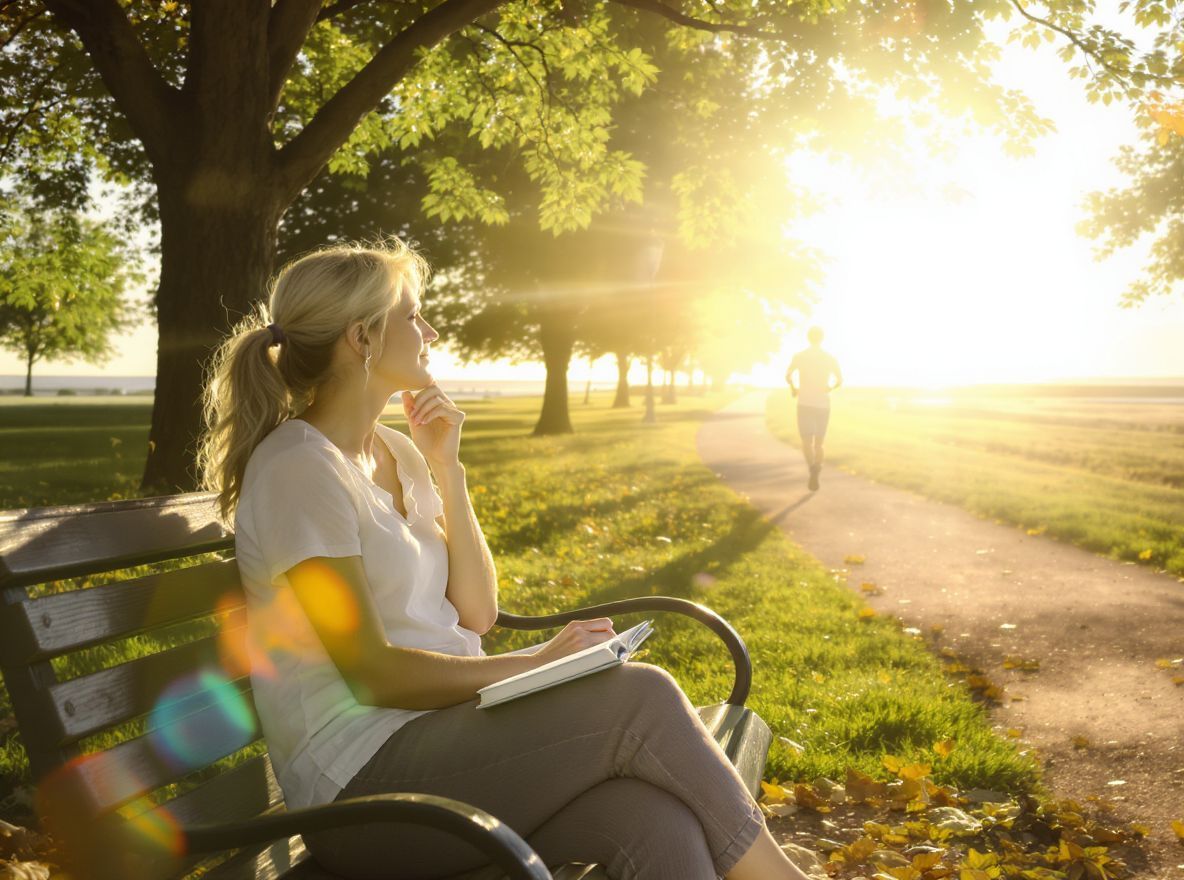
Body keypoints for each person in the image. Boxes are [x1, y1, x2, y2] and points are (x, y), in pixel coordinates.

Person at [198, 239, 813, 880]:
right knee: (642, 698)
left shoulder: (397, 453)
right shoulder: (302, 469)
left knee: (648, 819)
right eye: (412, 315)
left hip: (448, 743)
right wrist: (541, 662)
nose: (430, 330)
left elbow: (477, 611)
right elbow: (373, 674)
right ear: (362, 339)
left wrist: (447, 467)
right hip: (363, 794)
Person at [785, 327, 842, 491]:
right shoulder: (830, 358)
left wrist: (793, 388)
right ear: (822, 338)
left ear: (808, 338)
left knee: (806, 441)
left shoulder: (800, 356)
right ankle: (817, 465)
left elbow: (788, 375)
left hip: (804, 403)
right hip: (823, 404)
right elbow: (839, 380)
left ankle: (812, 468)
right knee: (819, 444)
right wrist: (829, 387)